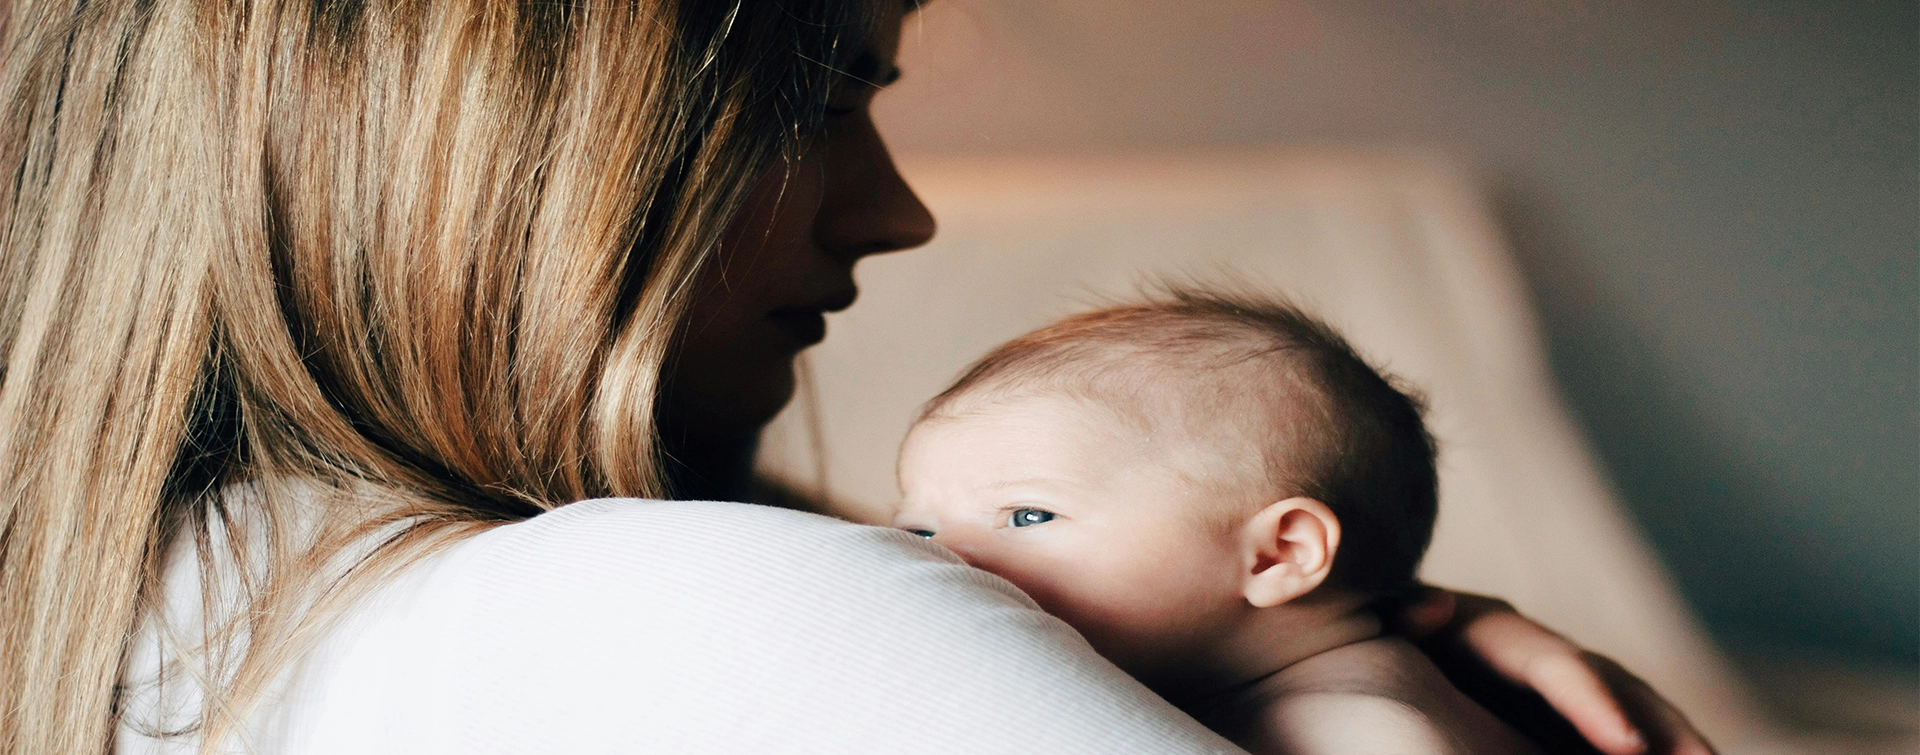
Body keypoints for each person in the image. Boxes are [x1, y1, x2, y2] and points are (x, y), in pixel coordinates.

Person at [0, 1, 1712, 754]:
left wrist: (1360, 630)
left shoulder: (162, 597)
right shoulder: (675, 605)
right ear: (489, 138)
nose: (897, 209)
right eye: (825, 91)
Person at [893, 291, 1540, 754]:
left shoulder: (1355, 728)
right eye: (918, 530)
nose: (940, 556)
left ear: (1276, 555)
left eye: (1027, 514)